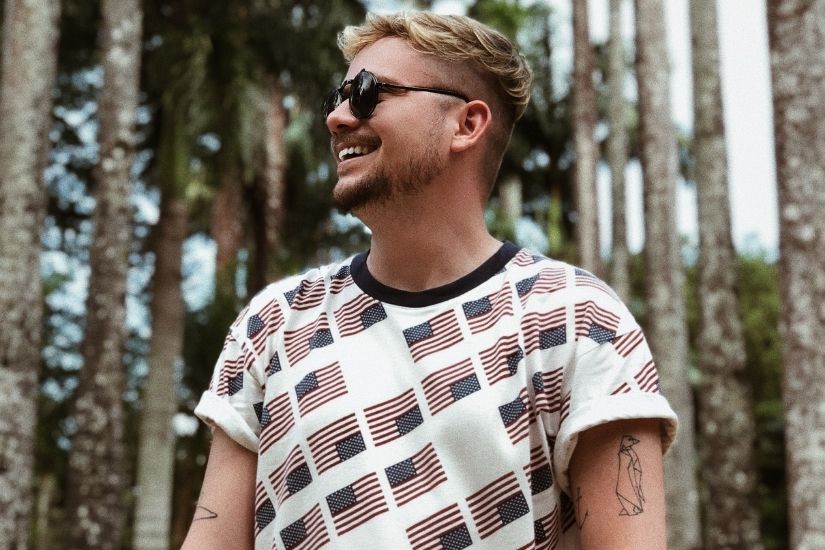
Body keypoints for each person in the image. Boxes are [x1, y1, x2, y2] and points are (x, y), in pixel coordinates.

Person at [182, 11, 678, 550]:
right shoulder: (274, 322)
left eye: (369, 93)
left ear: (466, 124)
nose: (338, 118)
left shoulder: (574, 317)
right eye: (338, 97)